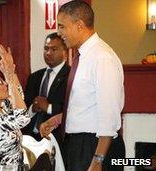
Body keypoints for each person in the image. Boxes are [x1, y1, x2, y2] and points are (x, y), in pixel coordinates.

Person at [40, 1, 125, 171]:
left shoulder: (102, 58)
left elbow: (109, 114)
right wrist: (59, 119)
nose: (59, 32)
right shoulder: (83, 56)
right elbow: (87, 105)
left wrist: (98, 160)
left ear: (79, 25)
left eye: (62, 26)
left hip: (95, 147)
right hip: (80, 146)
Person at [21, 32, 70, 145]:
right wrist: (33, 108)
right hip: (31, 138)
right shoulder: (34, 77)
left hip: (57, 139)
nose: (48, 53)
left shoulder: (71, 76)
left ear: (65, 52)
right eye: (46, 48)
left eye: (54, 49)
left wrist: (48, 108)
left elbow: (72, 111)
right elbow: (24, 108)